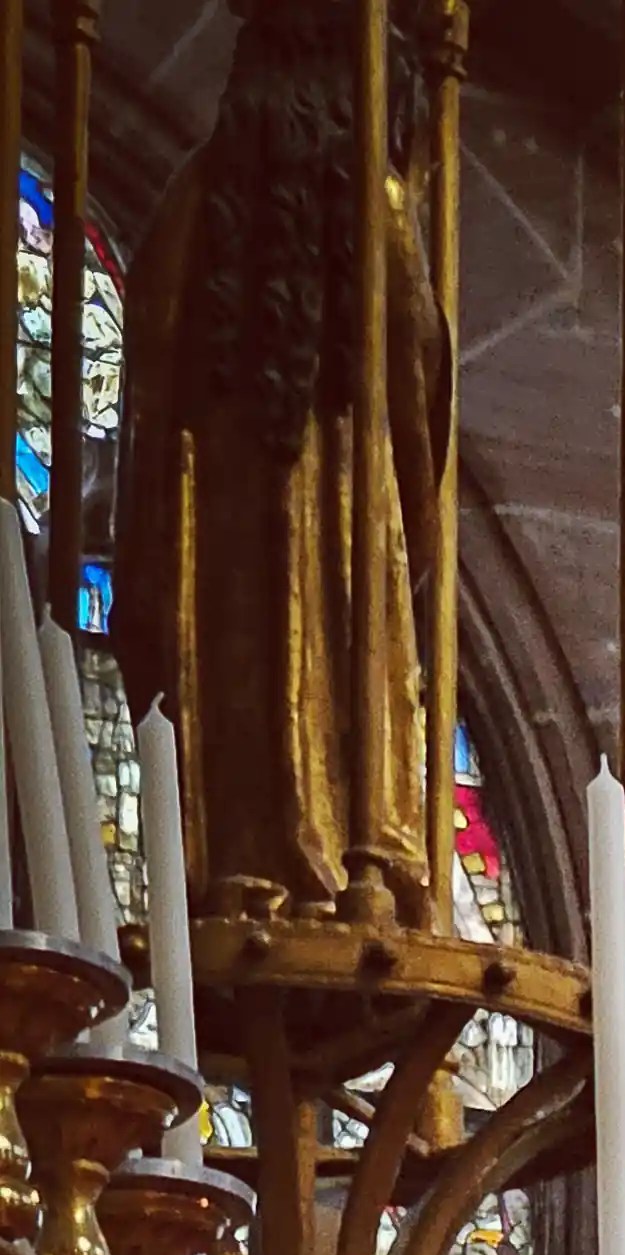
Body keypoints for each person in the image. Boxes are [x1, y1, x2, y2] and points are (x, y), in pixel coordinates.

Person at [117, 0, 450, 925]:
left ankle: (250, 859)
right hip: (345, 515)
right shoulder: (374, 205)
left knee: (244, 677)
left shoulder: (195, 200)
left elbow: (149, 382)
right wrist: (420, 535)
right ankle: (358, 861)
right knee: (337, 670)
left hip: (220, 519)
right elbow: (415, 376)